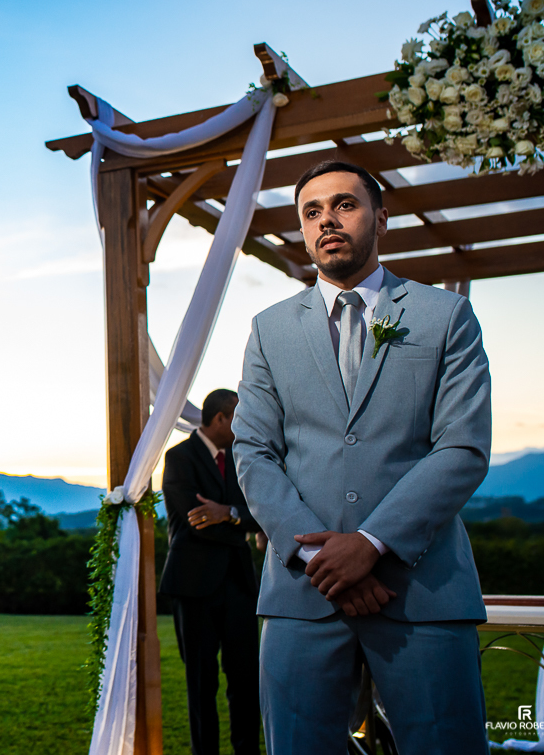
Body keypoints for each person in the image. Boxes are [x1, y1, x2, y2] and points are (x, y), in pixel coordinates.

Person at [233, 160, 491, 753]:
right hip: (304, 594)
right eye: (312, 212)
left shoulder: (444, 315)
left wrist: (371, 545)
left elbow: (463, 446)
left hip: (420, 588)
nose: (328, 220)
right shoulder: (269, 329)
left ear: (381, 217)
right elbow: (253, 450)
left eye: (344, 205)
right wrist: (324, 557)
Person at [159, 388, 261, 755]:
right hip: (194, 586)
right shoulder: (179, 458)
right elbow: (191, 522)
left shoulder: (243, 458)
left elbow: (261, 511)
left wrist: (230, 513)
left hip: (239, 585)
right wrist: (242, 524)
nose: (244, 425)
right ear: (220, 418)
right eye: (239, 418)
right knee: (201, 686)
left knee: (247, 682)